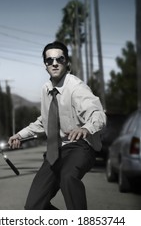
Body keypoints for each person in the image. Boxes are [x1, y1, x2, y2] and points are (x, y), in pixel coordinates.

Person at [8, 41, 106, 210]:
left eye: (59, 59)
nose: (54, 63)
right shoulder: (46, 89)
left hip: (80, 147)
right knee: (33, 207)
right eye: (49, 60)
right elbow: (43, 120)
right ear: (45, 65)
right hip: (56, 152)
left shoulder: (76, 88)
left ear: (66, 62)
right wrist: (20, 135)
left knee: (68, 177)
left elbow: (97, 114)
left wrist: (85, 128)